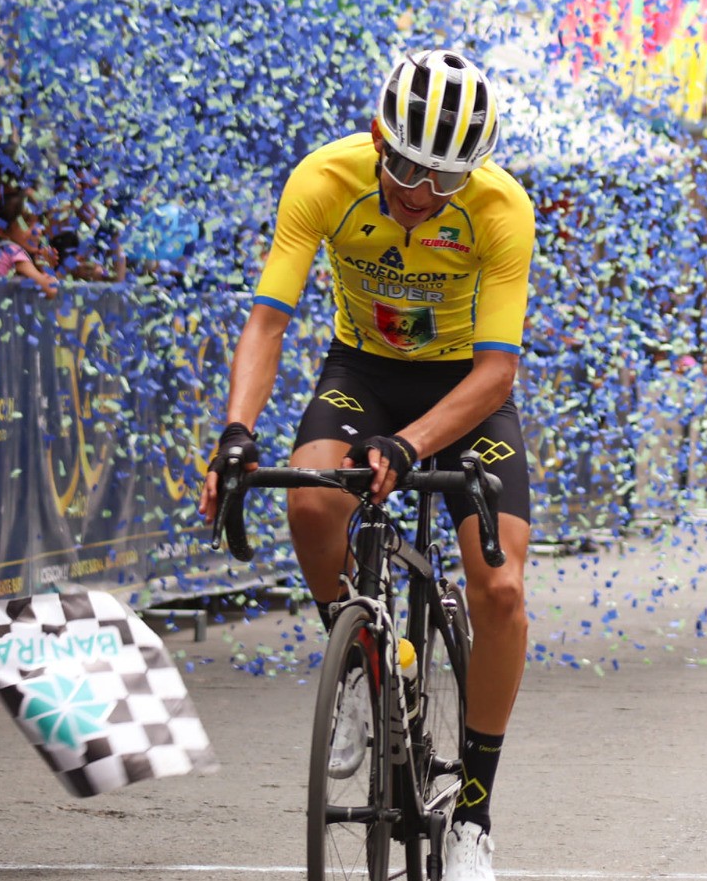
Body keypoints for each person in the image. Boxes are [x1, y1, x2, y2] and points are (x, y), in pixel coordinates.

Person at [198, 49, 534, 881]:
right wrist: (236, 433)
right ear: (380, 138)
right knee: (313, 502)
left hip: (466, 391)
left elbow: (498, 371)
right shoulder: (324, 179)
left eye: (445, 179)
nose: (421, 192)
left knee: (500, 587)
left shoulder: (501, 207)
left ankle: (474, 814)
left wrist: (412, 443)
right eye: (408, 167)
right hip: (363, 373)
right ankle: (360, 668)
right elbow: (269, 321)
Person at [0, 188, 58, 298]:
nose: (37, 231)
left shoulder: (1, 251)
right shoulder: (13, 251)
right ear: (3, 231)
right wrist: (46, 267)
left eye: (39, 223)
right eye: (27, 224)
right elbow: (50, 290)